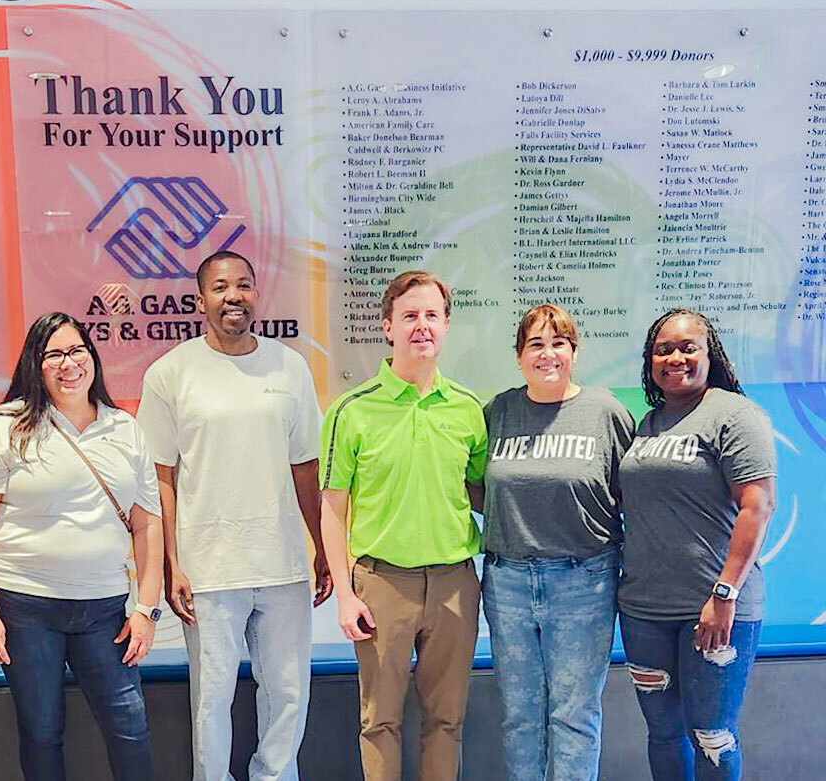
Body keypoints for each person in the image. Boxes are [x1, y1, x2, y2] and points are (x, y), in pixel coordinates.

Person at [135, 250, 331, 781]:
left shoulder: (289, 366)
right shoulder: (170, 373)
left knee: (289, 695)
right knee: (211, 701)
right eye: (221, 288)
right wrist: (174, 563)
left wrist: (321, 551)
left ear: (256, 294)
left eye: (244, 285)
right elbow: (161, 479)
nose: (234, 297)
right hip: (210, 568)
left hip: (285, 562)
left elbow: (306, 467)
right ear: (201, 301)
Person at [0, 312, 163, 781]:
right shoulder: (4, 427)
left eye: (77, 351)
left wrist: (146, 608)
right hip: (25, 608)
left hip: (106, 610)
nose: (68, 364)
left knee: (130, 728)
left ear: (92, 357)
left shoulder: (124, 429)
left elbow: (148, 525)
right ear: (35, 364)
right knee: (42, 731)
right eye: (54, 355)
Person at [319, 269, 485, 781]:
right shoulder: (351, 410)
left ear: (447, 325)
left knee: (447, 720)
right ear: (388, 327)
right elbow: (332, 509)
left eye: (432, 315)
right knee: (379, 721)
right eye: (409, 315)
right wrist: (346, 595)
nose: (422, 326)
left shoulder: (470, 409)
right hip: (381, 584)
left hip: (455, 584)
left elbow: (483, 492)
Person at [618, 308, 777, 781]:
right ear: (650, 360)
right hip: (644, 609)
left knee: (711, 734)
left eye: (689, 347)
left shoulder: (735, 414)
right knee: (663, 734)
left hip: (714, 609)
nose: (676, 357)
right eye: (663, 349)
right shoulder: (648, 424)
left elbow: (758, 506)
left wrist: (724, 594)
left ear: (712, 355)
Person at [479, 303, 634, 781]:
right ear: (519, 355)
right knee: (521, 718)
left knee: (575, 716)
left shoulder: (604, 411)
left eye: (558, 343)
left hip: (583, 581)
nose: (548, 354)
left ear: (574, 351)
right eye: (536, 344)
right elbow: (477, 485)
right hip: (507, 583)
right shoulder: (499, 410)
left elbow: (633, 490)